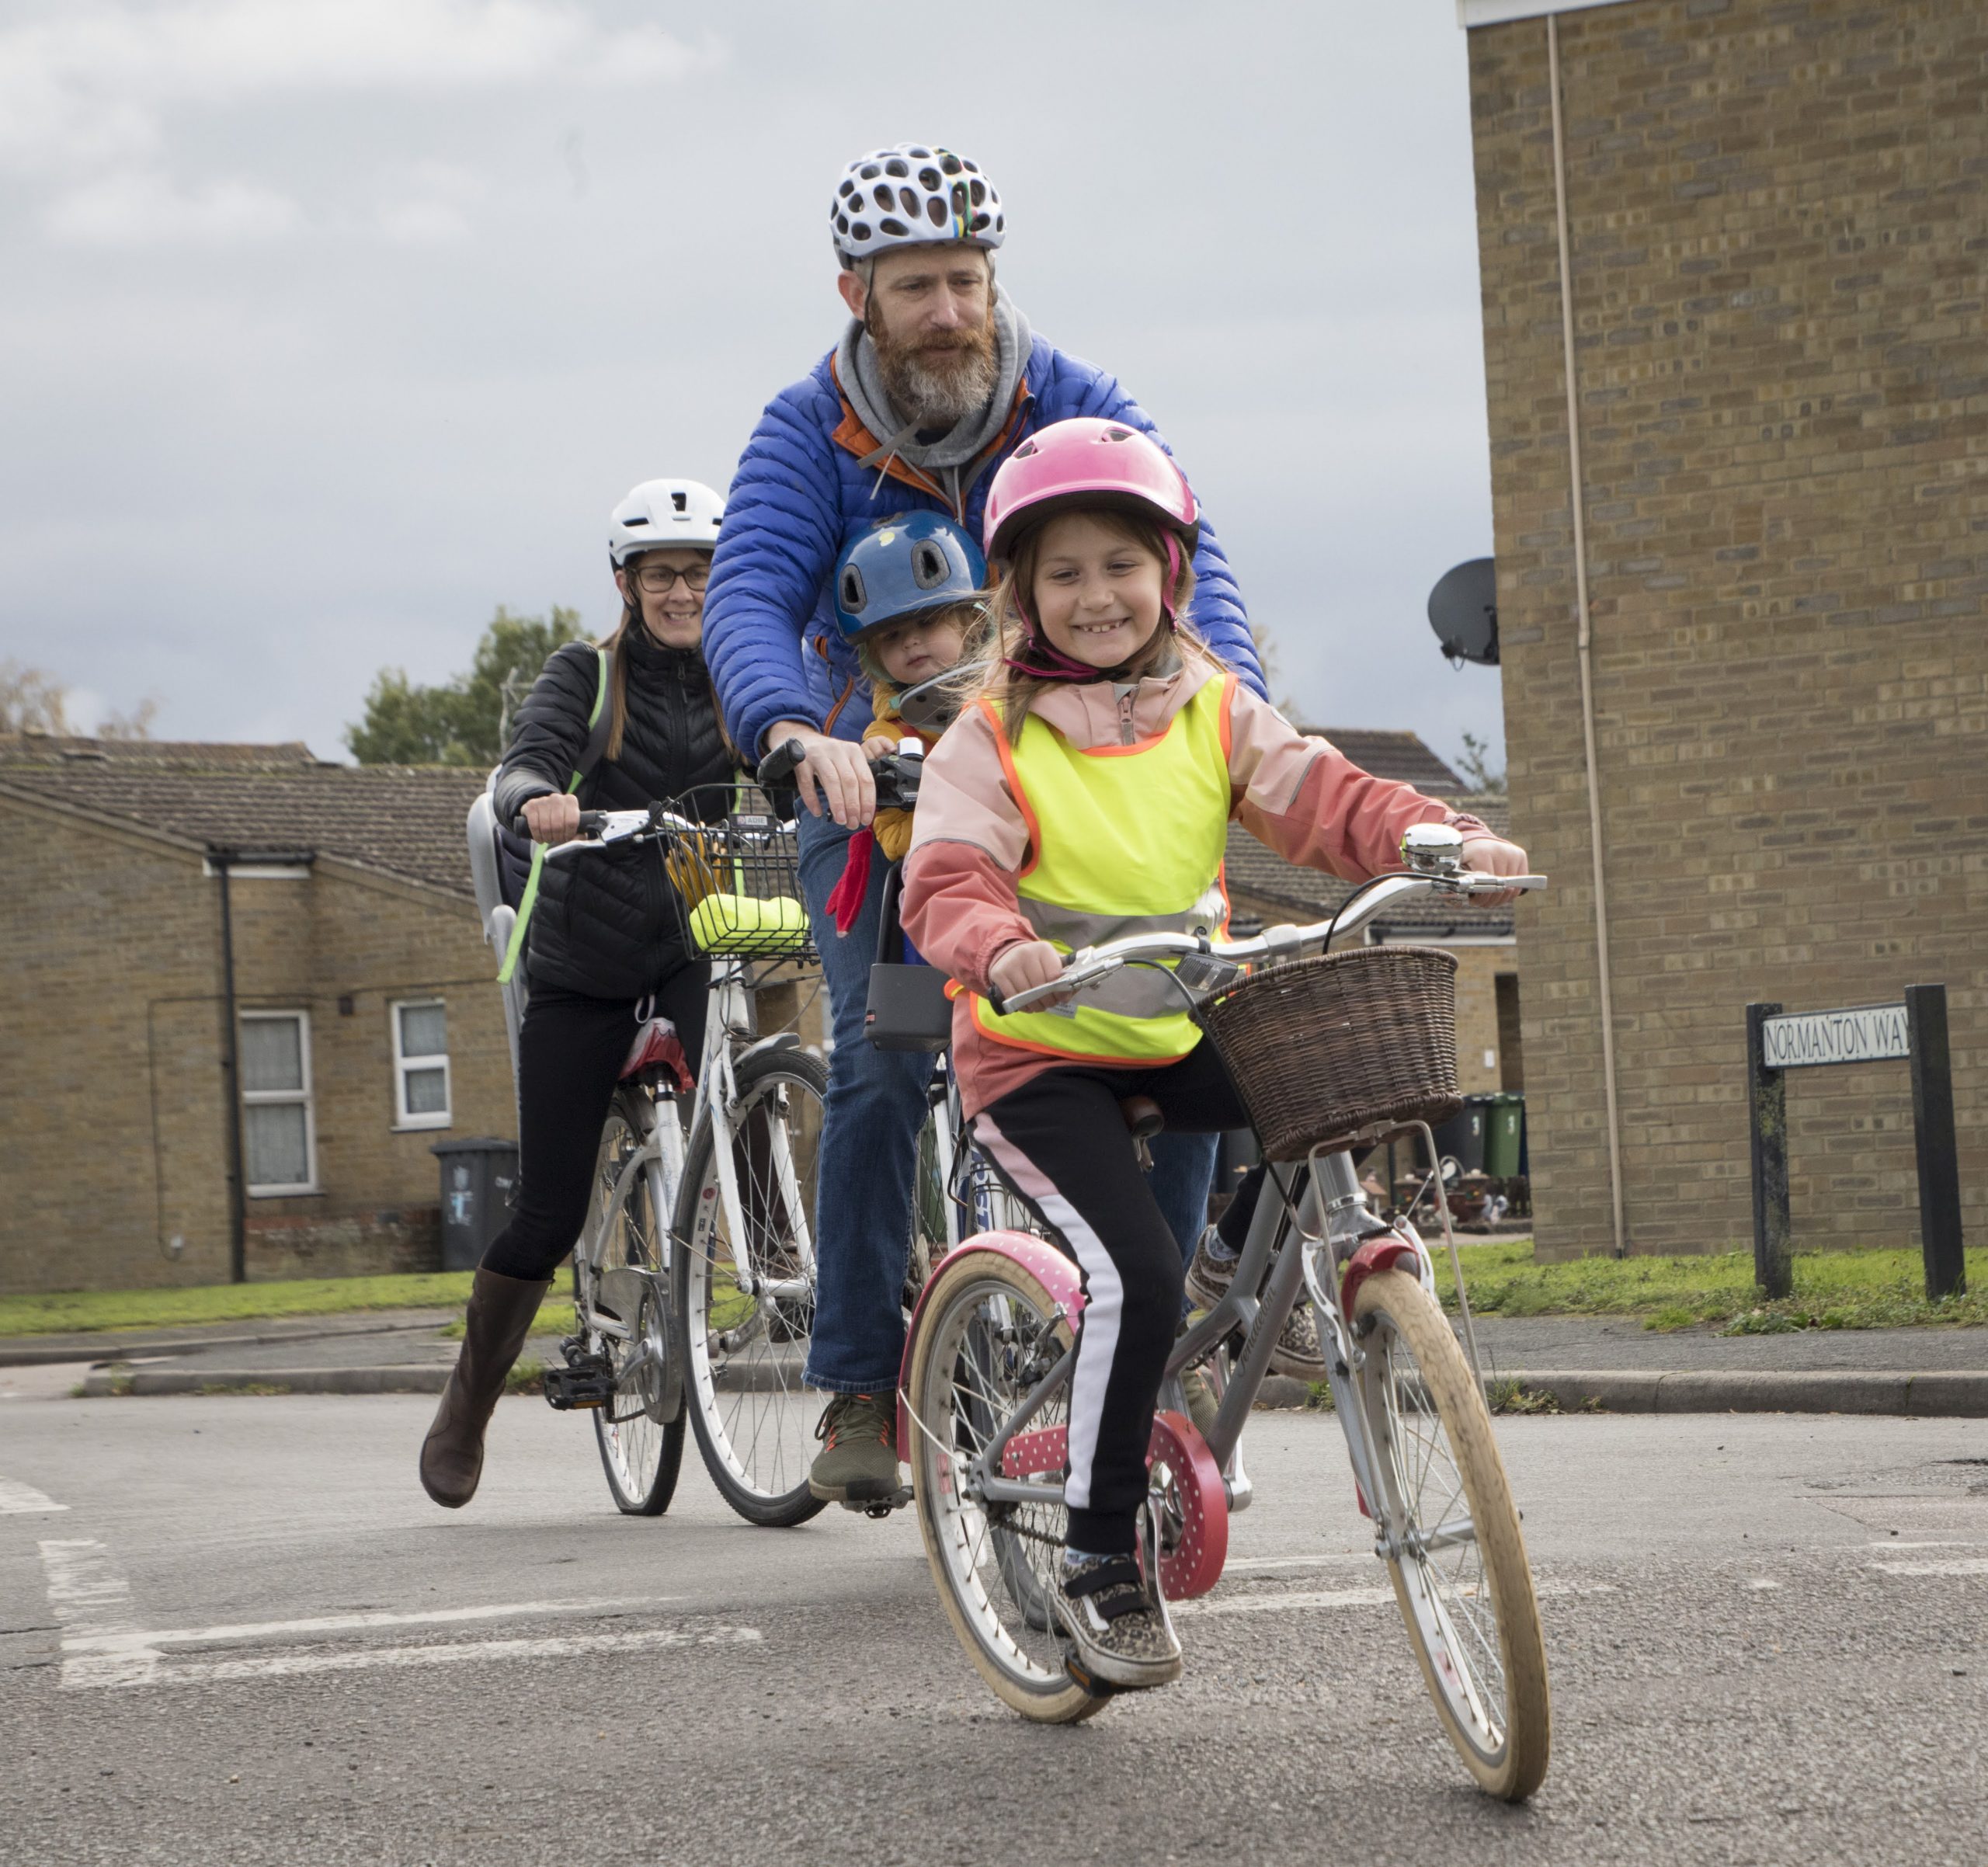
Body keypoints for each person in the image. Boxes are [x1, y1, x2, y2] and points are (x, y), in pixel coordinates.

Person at [899, 418, 1527, 1689]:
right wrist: (997, 942)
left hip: (1175, 1019)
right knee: (1132, 1270)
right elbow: (948, 877)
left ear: (1168, 574)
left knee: (1334, 1082)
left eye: (1122, 562)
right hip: (1039, 1050)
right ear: (1022, 594)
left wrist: (1445, 840)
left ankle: (1263, 1249)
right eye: (1064, 571)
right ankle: (1095, 1554)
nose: (1098, 594)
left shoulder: (1211, 706)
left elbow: (1331, 801)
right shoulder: (989, 739)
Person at [702, 143, 1265, 1507]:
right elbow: (749, 592)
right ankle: (852, 1379)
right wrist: (792, 733)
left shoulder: (1070, 399)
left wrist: (1226, 701)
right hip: (882, 803)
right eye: (918, 288)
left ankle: (1162, 1348)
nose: (950, 310)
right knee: (887, 1066)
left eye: (968, 279)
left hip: (1073, 784)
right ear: (859, 294)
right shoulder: (803, 432)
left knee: (1183, 1020)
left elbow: (1195, 554)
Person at [419, 478, 733, 1509]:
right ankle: (468, 1404)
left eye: (698, 570)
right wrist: (535, 800)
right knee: (546, 1211)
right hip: (582, 972)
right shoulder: (588, 677)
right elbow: (524, 762)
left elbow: (792, 741)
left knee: (737, 1120)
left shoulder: (743, 672)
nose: (684, 591)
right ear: (628, 584)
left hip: (691, 945)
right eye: (663, 575)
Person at [819, 511, 983, 938]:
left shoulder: (1015, 698)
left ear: (971, 622)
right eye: (891, 637)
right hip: (945, 899)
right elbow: (892, 840)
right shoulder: (890, 734)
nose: (910, 641)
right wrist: (881, 772)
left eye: (928, 622)